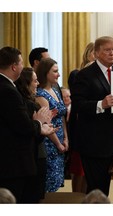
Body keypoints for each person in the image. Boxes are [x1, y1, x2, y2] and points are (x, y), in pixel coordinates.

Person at [70, 36, 113, 196]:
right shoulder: (84, 75)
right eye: (108, 50)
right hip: (94, 143)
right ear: (96, 52)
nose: (112, 53)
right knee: (98, 188)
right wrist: (101, 104)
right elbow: (78, 105)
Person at [0, 46, 55, 203]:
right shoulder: (8, 90)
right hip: (12, 162)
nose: (24, 66)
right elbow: (22, 126)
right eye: (22, 63)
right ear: (14, 66)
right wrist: (38, 122)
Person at [14, 67, 49, 203]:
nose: (38, 84)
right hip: (33, 157)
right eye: (34, 81)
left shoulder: (28, 102)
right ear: (26, 83)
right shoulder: (28, 105)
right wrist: (41, 125)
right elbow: (31, 132)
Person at [36, 58, 69, 192]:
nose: (58, 74)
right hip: (50, 144)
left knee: (57, 182)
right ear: (45, 73)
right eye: (55, 71)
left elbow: (61, 117)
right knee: (49, 184)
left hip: (60, 141)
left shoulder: (55, 90)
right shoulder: (40, 94)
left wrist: (66, 138)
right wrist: (58, 144)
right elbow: (47, 123)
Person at [68, 42, 96, 194]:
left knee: (88, 172)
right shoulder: (76, 73)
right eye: (94, 53)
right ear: (88, 54)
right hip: (78, 125)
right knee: (78, 168)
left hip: (92, 127)